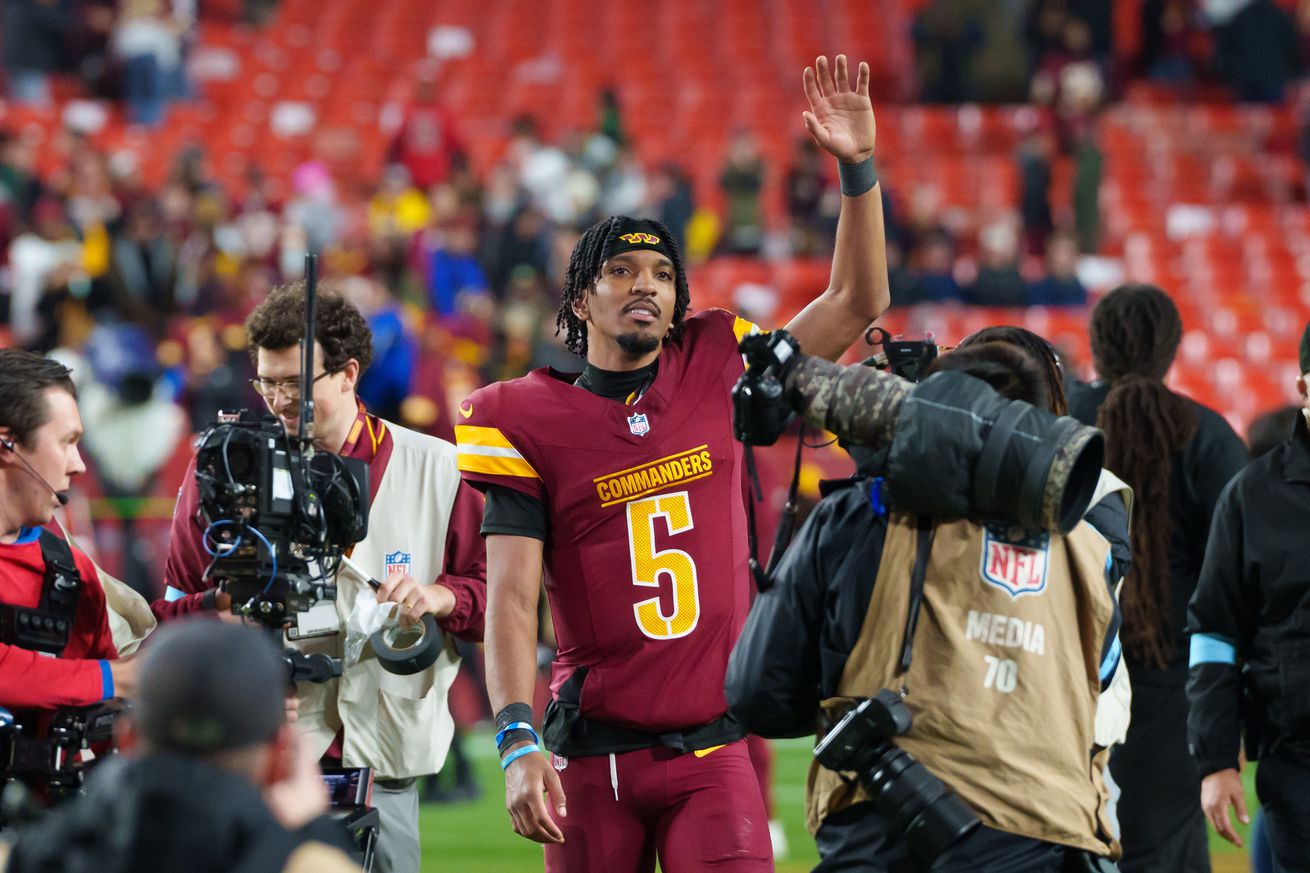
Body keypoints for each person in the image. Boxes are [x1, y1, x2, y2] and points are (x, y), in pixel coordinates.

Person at [456, 54, 890, 872]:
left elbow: (857, 303)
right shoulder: (522, 416)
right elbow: (512, 597)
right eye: (621, 270)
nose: (645, 285)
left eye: (661, 272)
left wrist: (858, 169)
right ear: (580, 300)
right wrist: (517, 735)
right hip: (592, 756)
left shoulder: (718, 360)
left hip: (712, 751)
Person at [725, 330, 1132, 872]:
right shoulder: (1092, 544)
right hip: (1055, 836)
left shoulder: (864, 514)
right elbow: (1095, 692)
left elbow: (757, 692)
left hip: (888, 834)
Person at [157, 284, 487, 873]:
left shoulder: (438, 467)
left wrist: (441, 596)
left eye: (294, 383)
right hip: (258, 757)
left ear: (347, 374)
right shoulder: (220, 469)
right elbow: (172, 609)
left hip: (386, 759)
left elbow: (496, 601)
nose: (280, 401)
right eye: (267, 382)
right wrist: (224, 619)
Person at [1070, 284, 1247, 873]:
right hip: (1177, 688)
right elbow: (1239, 586)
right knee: (1167, 851)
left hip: (1063, 678)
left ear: (1096, 347)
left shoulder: (1057, 422)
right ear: (1172, 349)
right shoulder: (1211, 437)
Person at [2, 620, 361, 873]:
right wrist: (315, 829)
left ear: (126, 739)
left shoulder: (30, 856)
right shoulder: (302, 862)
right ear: (280, 758)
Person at [1187, 320, 1310, 873]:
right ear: (1305, 390)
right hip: (1299, 767)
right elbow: (1213, 633)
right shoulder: (1252, 496)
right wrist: (1217, 760)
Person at [0, 348, 137, 715]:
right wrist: (115, 678)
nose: (78, 465)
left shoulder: (73, 571)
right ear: (7, 445)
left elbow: (111, 715)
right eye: (67, 441)